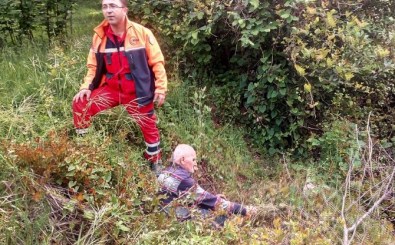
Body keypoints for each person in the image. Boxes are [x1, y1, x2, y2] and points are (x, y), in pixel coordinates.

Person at [72, 0, 167, 173]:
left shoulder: (142, 33)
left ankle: (154, 160)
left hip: (136, 91)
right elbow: (92, 66)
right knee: (80, 103)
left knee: (148, 124)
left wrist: (160, 88)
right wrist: (85, 87)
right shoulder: (99, 36)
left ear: (124, 9)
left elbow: (157, 62)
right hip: (112, 90)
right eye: (104, 7)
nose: (108, 11)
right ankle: (84, 150)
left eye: (113, 6)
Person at [157, 144, 256, 226]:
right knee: (221, 216)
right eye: (193, 160)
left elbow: (191, 198)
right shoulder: (184, 180)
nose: (196, 164)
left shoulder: (165, 172)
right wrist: (242, 209)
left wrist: (212, 198)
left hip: (162, 214)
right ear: (182, 160)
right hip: (175, 220)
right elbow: (210, 201)